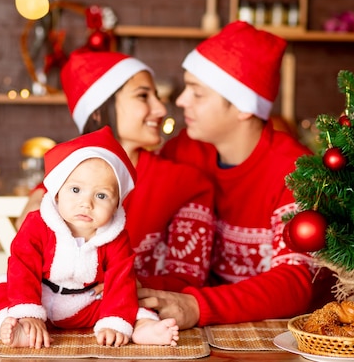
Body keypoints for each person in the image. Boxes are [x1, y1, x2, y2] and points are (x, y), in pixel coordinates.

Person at [138, 21, 325, 329]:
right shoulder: (186, 150)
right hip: (212, 328)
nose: (182, 100)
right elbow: (123, 175)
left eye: (197, 93)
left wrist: (197, 305)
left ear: (243, 107)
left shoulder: (295, 170)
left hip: (288, 335)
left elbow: (295, 283)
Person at [15, 50, 215, 293]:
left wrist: (125, 286)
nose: (161, 109)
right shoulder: (59, 185)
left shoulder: (185, 184)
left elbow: (188, 279)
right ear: (98, 111)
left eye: (157, 96)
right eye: (143, 96)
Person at [0, 127, 180, 348]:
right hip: (41, 294)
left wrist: (115, 322)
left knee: (130, 298)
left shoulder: (115, 237)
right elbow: (22, 266)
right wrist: (29, 311)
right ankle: (16, 329)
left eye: (101, 195)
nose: (87, 203)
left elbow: (120, 279)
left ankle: (144, 327)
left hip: (85, 303)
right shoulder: (38, 223)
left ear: (117, 205)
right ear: (57, 192)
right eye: (76, 190)